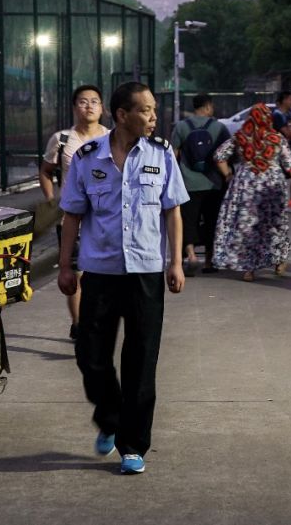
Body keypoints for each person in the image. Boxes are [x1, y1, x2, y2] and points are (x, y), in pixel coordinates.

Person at [57, 81, 190, 475]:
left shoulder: (161, 154)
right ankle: (110, 418)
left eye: (153, 110)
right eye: (145, 110)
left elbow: (173, 211)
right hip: (100, 273)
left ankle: (133, 446)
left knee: (141, 361)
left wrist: (176, 262)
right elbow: (71, 215)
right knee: (91, 356)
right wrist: (66, 266)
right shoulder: (87, 157)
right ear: (122, 115)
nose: (153, 117)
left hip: (146, 273)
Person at [212, 102, 291, 281]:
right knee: (276, 224)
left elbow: (219, 156)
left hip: (246, 187)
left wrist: (228, 174)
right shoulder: (277, 138)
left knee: (248, 227)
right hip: (272, 188)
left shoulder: (240, 137)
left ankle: (249, 269)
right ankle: (279, 260)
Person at [40, 85, 108, 340]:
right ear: (74, 107)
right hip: (71, 218)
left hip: (104, 218)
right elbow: (46, 171)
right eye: (83, 101)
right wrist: (51, 199)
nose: (89, 106)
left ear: (103, 108)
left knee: (100, 274)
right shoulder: (62, 139)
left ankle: (96, 321)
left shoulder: (111, 138)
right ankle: (80, 324)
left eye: (94, 101)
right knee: (75, 273)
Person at [170, 93, 231, 276]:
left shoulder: (181, 126)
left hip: (187, 183)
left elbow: (173, 154)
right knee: (212, 220)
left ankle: (191, 256)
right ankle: (209, 261)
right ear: (208, 106)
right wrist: (227, 175)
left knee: (188, 220)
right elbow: (226, 153)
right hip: (213, 183)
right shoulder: (219, 127)